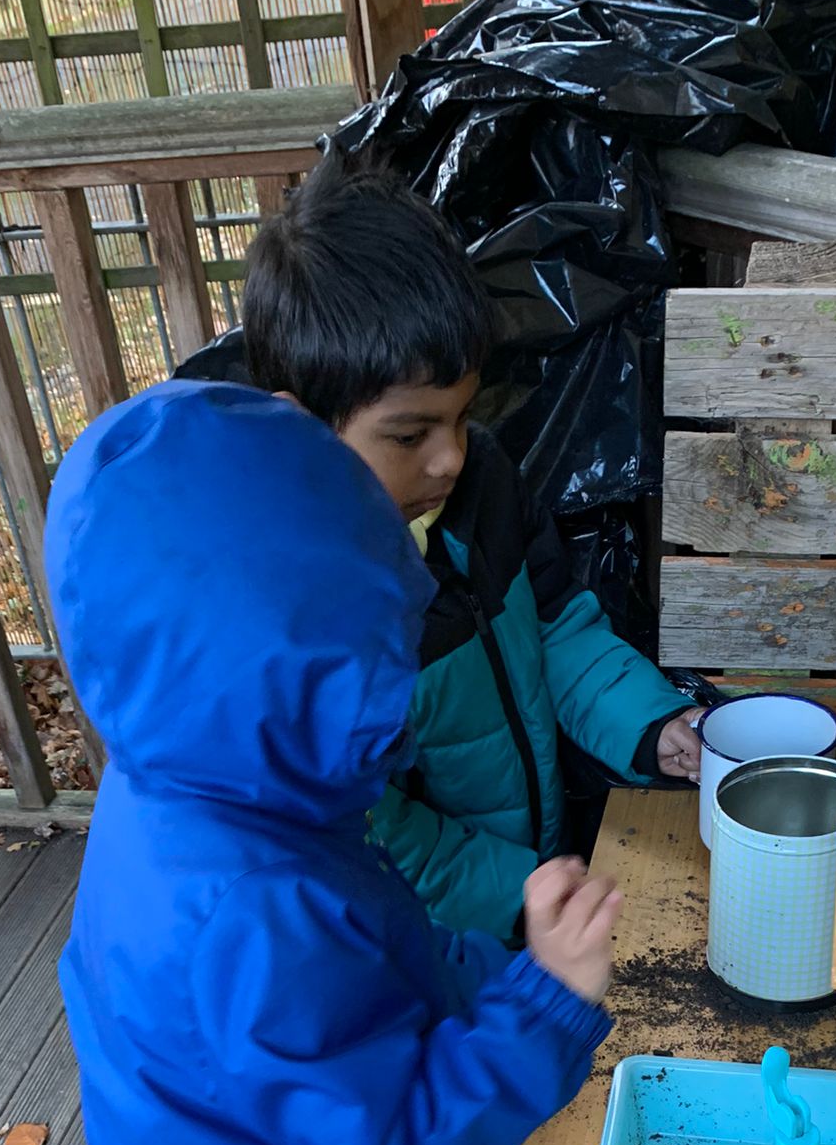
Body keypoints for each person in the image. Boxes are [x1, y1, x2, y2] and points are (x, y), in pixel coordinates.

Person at [46, 378, 620, 1145]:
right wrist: (551, 1009)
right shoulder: (252, 909)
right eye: (353, 671)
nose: (387, 701)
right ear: (278, 684)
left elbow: (383, 965)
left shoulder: (189, 784)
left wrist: (500, 973)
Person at [176, 151, 704, 941]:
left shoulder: (483, 481)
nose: (450, 455)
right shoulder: (297, 619)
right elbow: (375, 834)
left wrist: (649, 726)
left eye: (460, 416)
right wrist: (515, 897)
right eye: (410, 433)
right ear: (299, 429)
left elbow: (559, 631)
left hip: (536, 891)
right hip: (430, 943)